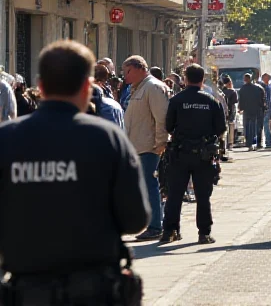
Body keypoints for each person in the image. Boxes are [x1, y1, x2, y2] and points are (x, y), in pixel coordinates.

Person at [0, 41, 150, 303]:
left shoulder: (6, 140)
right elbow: (135, 219)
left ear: (42, 88)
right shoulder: (108, 139)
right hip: (95, 290)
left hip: (27, 291)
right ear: (86, 86)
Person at [161, 64, 227, 244]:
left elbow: (168, 126)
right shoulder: (211, 101)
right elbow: (221, 128)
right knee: (203, 195)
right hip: (203, 154)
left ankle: (169, 231)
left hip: (180, 153)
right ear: (202, 79)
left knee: (175, 194)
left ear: (185, 78)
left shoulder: (177, 100)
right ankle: (204, 233)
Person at [123, 55, 171, 241]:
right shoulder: (138, 88)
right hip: (138, 146)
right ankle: (152, 223)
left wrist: (160, 143)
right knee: (145, 187)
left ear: (139, 69)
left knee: (151, 186)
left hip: (150, 147)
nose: (124, 76)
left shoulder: (153, 87)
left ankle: (155, 226)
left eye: (127, 71)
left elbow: (162, 118)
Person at [238, 73, 266, 151]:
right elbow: (263, 99)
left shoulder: (243, 89)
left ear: (245, 79)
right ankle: (258, 143)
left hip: (247, 110)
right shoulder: (259, 88)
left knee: (248, 127)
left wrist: (241, 108)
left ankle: (250, 144)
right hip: (257, 110)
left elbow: (241, 100)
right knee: (258, 127)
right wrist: (263, 108)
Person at [220, 76, 238, 161]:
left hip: (223, 113)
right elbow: (234, 103)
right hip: (231, 112)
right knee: (231, 128)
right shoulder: (233, 92)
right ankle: (230, 144)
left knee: (224, 130)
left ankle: (225, 145)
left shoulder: (221, 91)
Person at [260, 73, 271, 149]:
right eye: (267, 77)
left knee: (268, 126)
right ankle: (268, 142)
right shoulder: (262, 86)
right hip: (266, 109)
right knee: (266, 125)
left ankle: (269, 142)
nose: (268, 78)